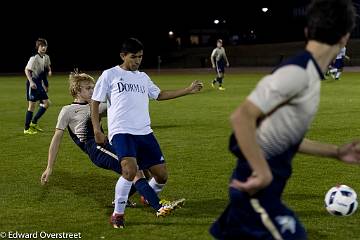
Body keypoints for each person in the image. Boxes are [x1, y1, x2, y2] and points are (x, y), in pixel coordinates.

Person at [210, 0, 358, 239]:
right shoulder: (297, 72)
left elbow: (281, 136)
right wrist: (263, 172)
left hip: (260, 189)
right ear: (345, 38)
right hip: (255, 189)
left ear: (307, 31)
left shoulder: (308, 74)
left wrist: (336, 152)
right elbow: (241, 117)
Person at [40, 71, 184, 229]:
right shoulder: (67, 111)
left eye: (94, 87)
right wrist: (49, 167)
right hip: (95, 149)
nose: (93, 91)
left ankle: (133, 199)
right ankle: (159, 206)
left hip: (107, 144)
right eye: (88, 88)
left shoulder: (97, 105)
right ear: (77, 90)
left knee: (142, 167)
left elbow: (120, 110)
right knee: (135, 171)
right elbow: (56, 138)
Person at [91, 38, 203, 228]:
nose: (137, 61)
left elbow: (158, 95)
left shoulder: (143, 77)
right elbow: (94, 102)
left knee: (161, 176)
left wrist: (188, 90)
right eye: (133, 57)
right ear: (123, 56)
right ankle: (118, 214)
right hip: (122, 131)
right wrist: (96, 129)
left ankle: (147, 196)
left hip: (144, 132)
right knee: (129, 170)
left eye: (140, 57)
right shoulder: (110, 75)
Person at [24, 38, 52, 135]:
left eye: (45, 46)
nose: (43, 47)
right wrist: (31, 82)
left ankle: (34, 122)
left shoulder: (45, 57)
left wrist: (46, 83)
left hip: (39, 84)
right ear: (38, 47)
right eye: (41, 46)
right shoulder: (34, 58)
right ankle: (26, 128)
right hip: (33, 84)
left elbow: (45, 69)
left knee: (47, 103)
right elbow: (27, 70)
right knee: (31, 106)